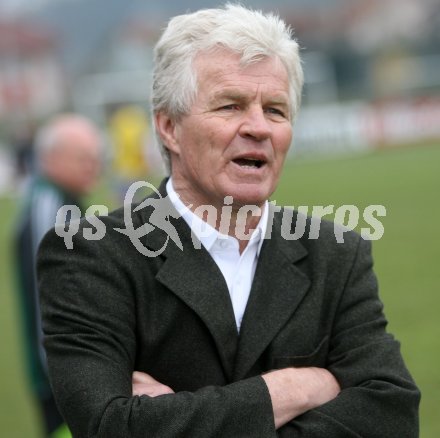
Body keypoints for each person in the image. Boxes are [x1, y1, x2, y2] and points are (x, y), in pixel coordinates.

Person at [37, 5, 420, 437]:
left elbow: (393, 415)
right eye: (230, 105)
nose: (258, 127)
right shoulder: (91, 254)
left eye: (275, 110)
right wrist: (290, 390)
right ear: (168, 127)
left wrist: (174, 419)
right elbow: (109, 426)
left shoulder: (336, 254)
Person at [15, 114, 101, 437]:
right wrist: (64, 375)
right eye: (83, 158)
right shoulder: (50, 206)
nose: (93, 165)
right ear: (51, 159)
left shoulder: (64, 200)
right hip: (63, 379)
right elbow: (46, 298)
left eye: (95, 157)